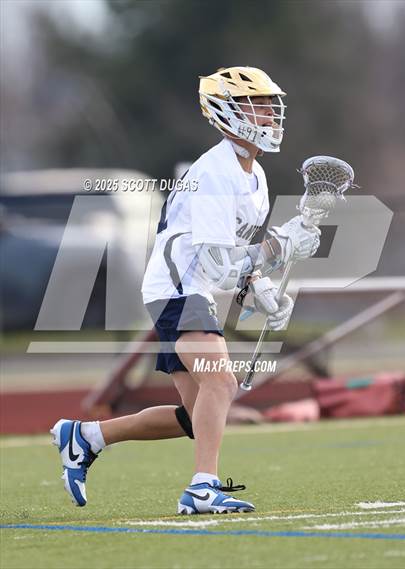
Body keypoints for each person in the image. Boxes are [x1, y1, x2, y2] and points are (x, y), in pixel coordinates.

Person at [51, 66, 320, 514]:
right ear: (227, 112)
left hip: (189, 289)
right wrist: (279, 246)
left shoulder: (255, 176)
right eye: (258, 105)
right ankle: (202, 488)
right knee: (221, 381)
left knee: (197, 417)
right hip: (178, 288)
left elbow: (233, 256)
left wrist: (263, 286)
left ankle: (86, 437)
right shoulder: (215, 172)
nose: (271, 114)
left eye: (271, 106)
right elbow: (220, 266)